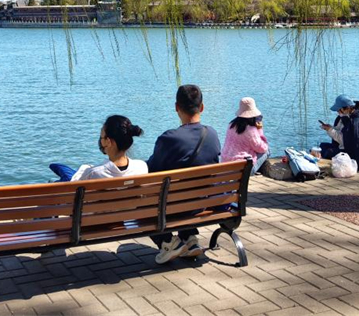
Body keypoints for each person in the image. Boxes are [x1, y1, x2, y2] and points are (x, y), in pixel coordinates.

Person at [146, 84, 221, 264]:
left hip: (175, 206)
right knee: (189, 190)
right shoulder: (212, 134)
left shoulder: (169, 138)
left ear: (176, 107)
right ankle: (189, 238)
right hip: (203, 203)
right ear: (202, 107)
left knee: (146, 199)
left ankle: (167, 242)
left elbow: (151, 171)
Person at [49, 115, 148, 181]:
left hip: (97, 212)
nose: (100, 140)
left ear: (108, 142)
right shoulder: (142, 167)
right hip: (132, 212)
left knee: (63, 173)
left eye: (101, 137)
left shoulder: (94, 174)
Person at [320, 95, 359, 171]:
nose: (338, 112)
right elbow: (344, 133)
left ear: (348, 108)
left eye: (339, 110)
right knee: (322, 146)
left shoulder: (356, 122)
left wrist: (330, 130)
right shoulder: (346, 118)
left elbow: (346, 141)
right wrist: (330, 128)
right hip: (356, 151)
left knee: (326, 152)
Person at [221, 97, 269, 175]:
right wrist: (260, 129)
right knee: (267, 151)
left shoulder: (231, 125)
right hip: (242, 171)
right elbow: (262, 148)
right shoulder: (250, 130)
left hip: (226, 164)